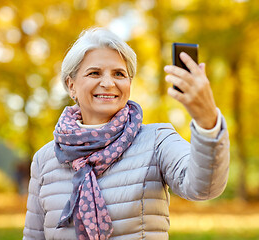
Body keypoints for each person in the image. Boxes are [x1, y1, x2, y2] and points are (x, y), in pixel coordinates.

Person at [23, 28, 229, 240]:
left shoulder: (157, 140)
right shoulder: (44, 160)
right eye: (94, 73)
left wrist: (207, 122)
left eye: (119, 74)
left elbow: (204, 187)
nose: (108, 83)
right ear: (71, 85)